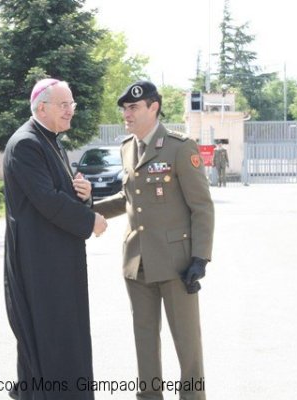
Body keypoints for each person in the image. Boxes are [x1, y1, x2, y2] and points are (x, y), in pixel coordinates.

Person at [95, 81, 214, 400]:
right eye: (124, 108)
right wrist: (88, 212)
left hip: (177, 264)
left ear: (153, 108)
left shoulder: (179, 147)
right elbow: (130, 198)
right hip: (138, 262)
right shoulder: (127, 147)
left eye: (133, 107)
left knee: (187, 345)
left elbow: (201, 206)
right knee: (144, 341)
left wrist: (200, 259)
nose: (127, 113)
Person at [3, 78, 107, 399]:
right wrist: (91, 220)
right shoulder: (26, 144)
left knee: (64, 339)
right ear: (42, 107)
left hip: (57, 262)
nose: (70, 111)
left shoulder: (53, 141)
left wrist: (86, 196)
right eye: (64, 105)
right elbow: (47, 201)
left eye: (71, 104)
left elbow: (66, 193)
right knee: (51, 341)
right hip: (40, 265)